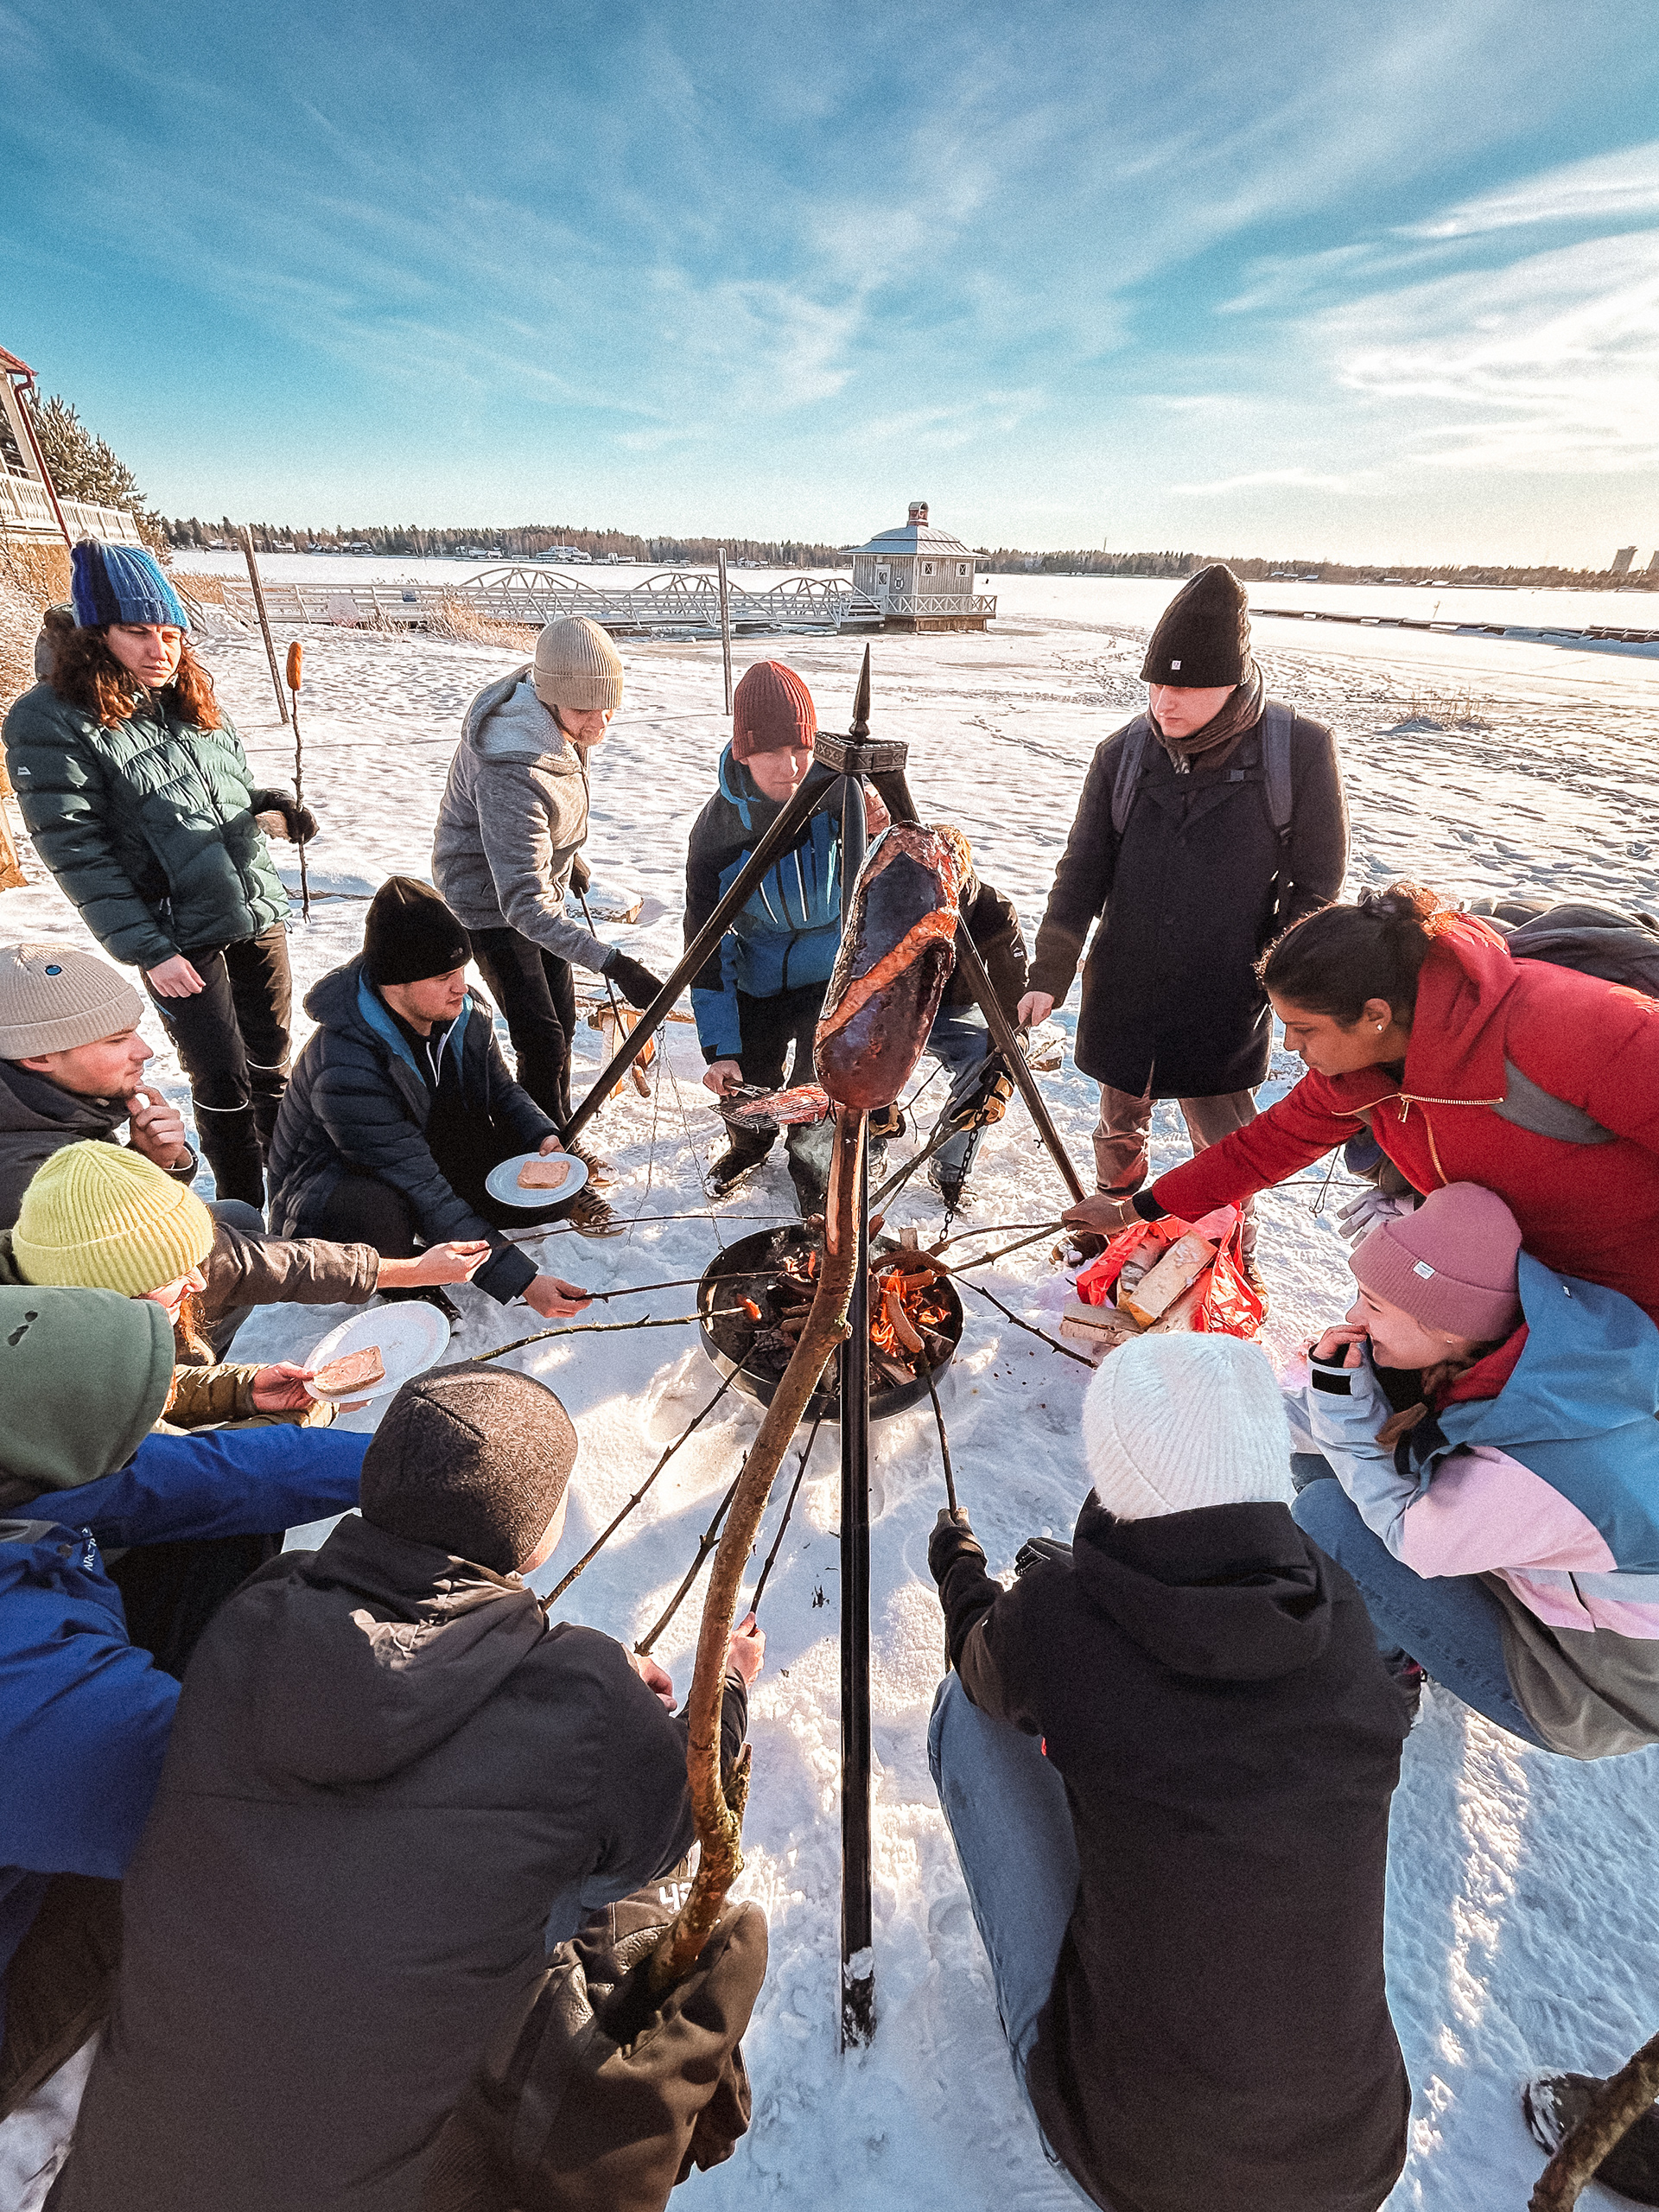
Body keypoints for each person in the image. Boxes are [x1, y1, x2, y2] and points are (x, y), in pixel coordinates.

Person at [53, 1363, 765, 2212]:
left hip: (120, 2176)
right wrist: (719, 1694)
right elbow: (677, 1824)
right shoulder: (584, 1690)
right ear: (535, 1539)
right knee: (624, 1886)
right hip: (379, 2185)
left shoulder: (258, 1611)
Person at [927, 1332, 1408, 2212]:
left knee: (969, 1711)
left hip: (1141, 2164)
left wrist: (962, 1574)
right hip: (1355, 2154)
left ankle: (1061, 2075)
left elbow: (981, 1657)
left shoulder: (1060, 1620)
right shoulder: (1338, 1610)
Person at [0, 1285, 367, 2140]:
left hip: (48, 1750)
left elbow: (200, 1478)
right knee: (193, 1882)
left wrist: (400, 1462)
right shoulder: (25, 1687)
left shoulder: (18, 1472)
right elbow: (267, 1808)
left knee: (216, 1534)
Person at [1063, 881, 1659, 1330]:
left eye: (1304, 1029)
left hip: (1630, 1295)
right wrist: (1133, 1211)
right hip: (1519, 1282)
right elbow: (1258, 1150)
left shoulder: (1570, 1024)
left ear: (1375, 1014)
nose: (1290, 1047)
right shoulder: (1358, 1072)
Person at [1016, 563, 1347, 1270]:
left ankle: (1229, 1252)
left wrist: (1279, 982)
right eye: (1155, 685)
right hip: (1126, 984)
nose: (1164, 702)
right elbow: (1082, 872)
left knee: (1225, 1142)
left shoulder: (1297, 752)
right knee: (1118, 1124)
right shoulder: (1123, 755)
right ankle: (1113, 1227)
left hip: (1226, 991)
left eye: (1186, 687)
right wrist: (1049, 971)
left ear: (1233, 682)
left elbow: (1316, 887)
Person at [1293, 1181, 1659, 1759]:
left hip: (1593, 1691)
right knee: (1326, 1454)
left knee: (1327, 1513)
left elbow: (1412, 1539)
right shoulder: (1536, 1359)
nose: (1353, 1316)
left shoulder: (1540, 1467)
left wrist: (1338, 1407)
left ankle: (1390, 1671)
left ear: (1449, 1330)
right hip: (1567, 1608)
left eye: (1374, 1304)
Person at [2, 543, 316, 1210]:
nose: (159, 650)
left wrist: (269, 808)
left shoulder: (187, 697)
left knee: (273, 1061)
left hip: (252, 909)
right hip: (175, 934)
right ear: (97, 634)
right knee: (222, 1079)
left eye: (171, 633)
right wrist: (150, 949)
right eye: (138, 632)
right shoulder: (49, 718)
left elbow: (221, 792)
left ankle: (296, 1187)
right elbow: (76, 851)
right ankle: (241, 1208)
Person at [0, 940, 488, 1351]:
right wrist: (402, 1271)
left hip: (68, 1308)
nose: (144, 1051)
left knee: (236, 1215)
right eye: (116, 1040)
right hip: (53, 1353)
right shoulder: (25, 1170)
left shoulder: (48, 1106)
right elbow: (224, 1263)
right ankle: (167, 1389)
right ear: (39, 1056)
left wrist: (149, 1163)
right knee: (216, 1257)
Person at [267, 877, 596, 1317]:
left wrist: (540, 1134)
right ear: (395, 983)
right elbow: (418, 1185)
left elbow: (501, 1089)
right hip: (329, 1197)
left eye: (461, 971)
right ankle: (403, 1280)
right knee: (381, 1212)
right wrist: (523, 1282)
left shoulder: (464, 1012)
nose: (461, 986)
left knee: (543, 1195)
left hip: (418, 1156)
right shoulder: (345, 1064)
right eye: (443, 977)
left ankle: (449, 1233)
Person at [432, 614, 664, 1233]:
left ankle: (558, 1131)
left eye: (608, 707)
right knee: (541, 1038)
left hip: (533, 887)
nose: (599, 724)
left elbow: (546, 817)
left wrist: (567, 857)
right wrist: (615, 963)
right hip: (490, 904)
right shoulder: (513, 764)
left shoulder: (558, 711)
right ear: (550, 694)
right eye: (585, 710)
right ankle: (545, 1167)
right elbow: (523, 906)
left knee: (559, 1023)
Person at [686, 658, 886, 1210]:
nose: (791, 767)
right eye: (771, 752)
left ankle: (815, 1172)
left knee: (816, 1090)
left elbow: (890, 881)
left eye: (800, 748)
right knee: (748, 1081)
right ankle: (748, 1147)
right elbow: (705, 951)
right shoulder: (718, 833)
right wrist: (720, 1047)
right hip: (758, 979)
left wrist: (882, 820)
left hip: (831, 977)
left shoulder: (840, 799)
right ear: (743, 752)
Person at [915, 861, 1029, 1210]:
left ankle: (951, 1166)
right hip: (898, 1008)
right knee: (867, 1053)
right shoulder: (900, 898)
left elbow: (1014, 994)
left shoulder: (995, 912)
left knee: (987, 1063)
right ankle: (871, 1141)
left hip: (955, 1009)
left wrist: (1010, 1050)